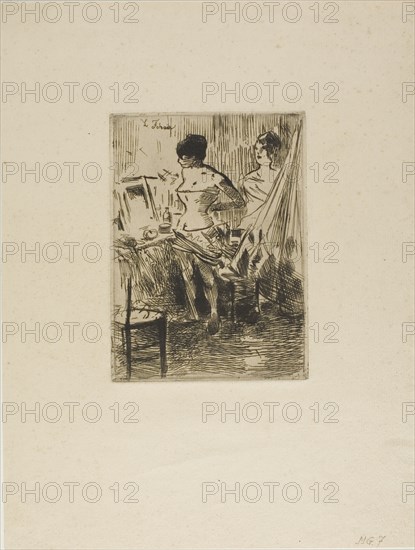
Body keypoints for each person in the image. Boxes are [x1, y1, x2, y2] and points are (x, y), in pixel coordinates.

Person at [172, 134, 245, 334]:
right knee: (186, 275)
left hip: (203, 232)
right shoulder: (183, 173)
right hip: (181, 232)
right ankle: (193, 313)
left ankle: (214, 313)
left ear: (196, 157)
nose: (180, 160)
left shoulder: (213, 176)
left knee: (207, 277)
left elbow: (239, 201)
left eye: (184, 157)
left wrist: (213, 207)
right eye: (180, 157)